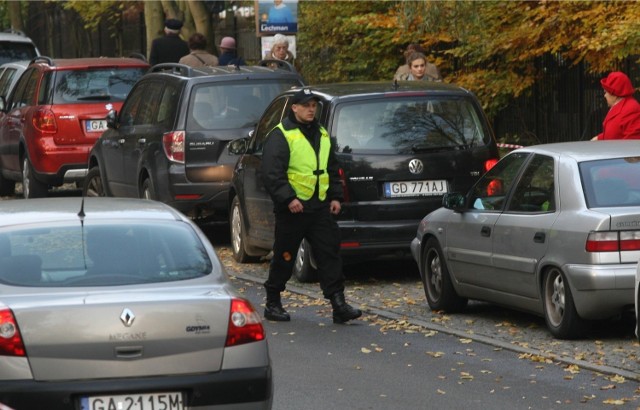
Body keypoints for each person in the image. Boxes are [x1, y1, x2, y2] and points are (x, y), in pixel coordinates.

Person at [260, 88, 362, 324]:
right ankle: (273, 302)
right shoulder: (281, 134)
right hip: (292, 209)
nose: (310, 109)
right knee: (285, 255)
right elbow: (272, 173)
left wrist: (336, 197)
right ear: (294, 108)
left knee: (330, 253)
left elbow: (332, 168)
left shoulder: (322, 133)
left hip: (319, 207)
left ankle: (338, 304)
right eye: (306, 105)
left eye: (313, 106)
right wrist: (288, 199)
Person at [592, 71, 640, 140]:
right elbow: (615, 133)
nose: (604, 96)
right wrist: (599, 138)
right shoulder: (619, 106)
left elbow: (632, 142)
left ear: (614, 94)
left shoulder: (631, 109)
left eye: (606, 92)